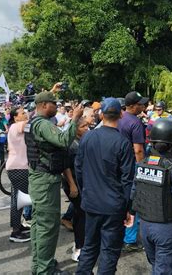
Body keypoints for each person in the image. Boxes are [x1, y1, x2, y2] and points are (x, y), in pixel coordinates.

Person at [25, 89, 83, 275]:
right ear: (43, 105)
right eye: (53, 104)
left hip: (40, 177)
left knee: (39, 224)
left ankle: (40, 263)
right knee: (47, 225)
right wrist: (75, 119)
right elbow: (64, 140)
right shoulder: (42, 124)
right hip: (45, 180)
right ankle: (44, 268)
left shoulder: (34, 121)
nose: (56, 107)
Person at [75, 98, 135, 274]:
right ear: (121, 115)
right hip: (113, 206)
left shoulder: (87, 137)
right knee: (109, 251)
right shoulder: (122, 142)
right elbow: (127, 180)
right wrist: (129, 207)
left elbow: (79, 168)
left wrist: (85, 192)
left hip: (92, 202)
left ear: (101, 114)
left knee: (89, 246)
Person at [131, 118, 172, 273]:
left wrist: (130, 213)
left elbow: (134, 193)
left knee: (157, 267)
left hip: (145, 228)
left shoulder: (142, 164)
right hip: (167, 230)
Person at [118, 91, 148, 252]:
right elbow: (138, 150)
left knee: (123, 199)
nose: (142, 106)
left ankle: (121, 234)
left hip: (119, 166)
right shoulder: (135, 122)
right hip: (132, 166)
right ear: (132, 106)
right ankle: (130, 239)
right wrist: (142, 168)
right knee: (133, 201)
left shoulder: (120, 118)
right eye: (139, 104)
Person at [61, 118, 90, 262]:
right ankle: (79, 248)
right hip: (73, 184)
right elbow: (66, 167)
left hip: (83, 183)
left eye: (88, 125)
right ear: (76, 128)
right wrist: (72, 184)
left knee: (82, 213)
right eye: (83, 126)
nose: (87, 128)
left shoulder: (83, 141)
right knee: (80, 214)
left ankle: (81, 244)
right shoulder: (70, 144)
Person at [6, 107, 31, 243]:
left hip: (16, 167)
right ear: (15, 117)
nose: (25, 114)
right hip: (19, 168)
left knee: (17, 199)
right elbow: (34, 121)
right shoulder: (16, 126)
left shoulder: (15, 127)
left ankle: (17, 227)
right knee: (20, 201)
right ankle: (15, 232)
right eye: (22, 113)